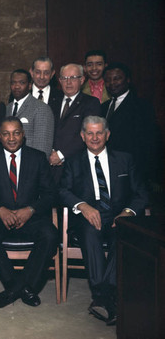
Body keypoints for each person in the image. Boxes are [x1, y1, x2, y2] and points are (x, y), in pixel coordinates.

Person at [59, 116, 147, 325]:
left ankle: (102, 296)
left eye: (99, 133)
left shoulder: (125, 159)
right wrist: (83, 206)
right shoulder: (73, 162)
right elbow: (62, 191)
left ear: (108, 135)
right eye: (90, 133)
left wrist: (127, 212)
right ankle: (106, 295)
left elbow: (142, 194)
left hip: (119, 215)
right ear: (82, 136)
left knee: (124, 233)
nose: (95, 137)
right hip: (88, 216)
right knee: (90, 232)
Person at [0, 116, 57, 309]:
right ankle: (22, 288)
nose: (12, 138)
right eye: (6, 133)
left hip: (31, 218)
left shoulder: (37, 158)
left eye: (16, 133)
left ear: (23, 135)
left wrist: (31, 209)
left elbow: (51, 194)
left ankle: (13, 290)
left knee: (50, 234)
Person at [101, 62, 161, 184]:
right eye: (107, 80)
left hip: (132, 172)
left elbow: (148, 144)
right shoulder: (103, 107)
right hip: (106, 170)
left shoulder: (142, 106)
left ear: (128, 80)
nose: (112, 83)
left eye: (117, 79)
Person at [49, 63, 100, 182]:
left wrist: (61, 155)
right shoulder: (53, 101)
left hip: (76, 166)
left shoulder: (91, 103)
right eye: (64, 78)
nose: (68, 82)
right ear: (60, 81)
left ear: (82, 80)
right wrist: (50, 151)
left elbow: (89, 134)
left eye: (73, 78)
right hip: (51, 165)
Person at [5, 69, 54, 159]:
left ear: (30, 86)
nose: (17, 86)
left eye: (21, 83)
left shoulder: (41, 108)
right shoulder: (7, 108)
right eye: (13, 83)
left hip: (31, 166)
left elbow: (43, 148)